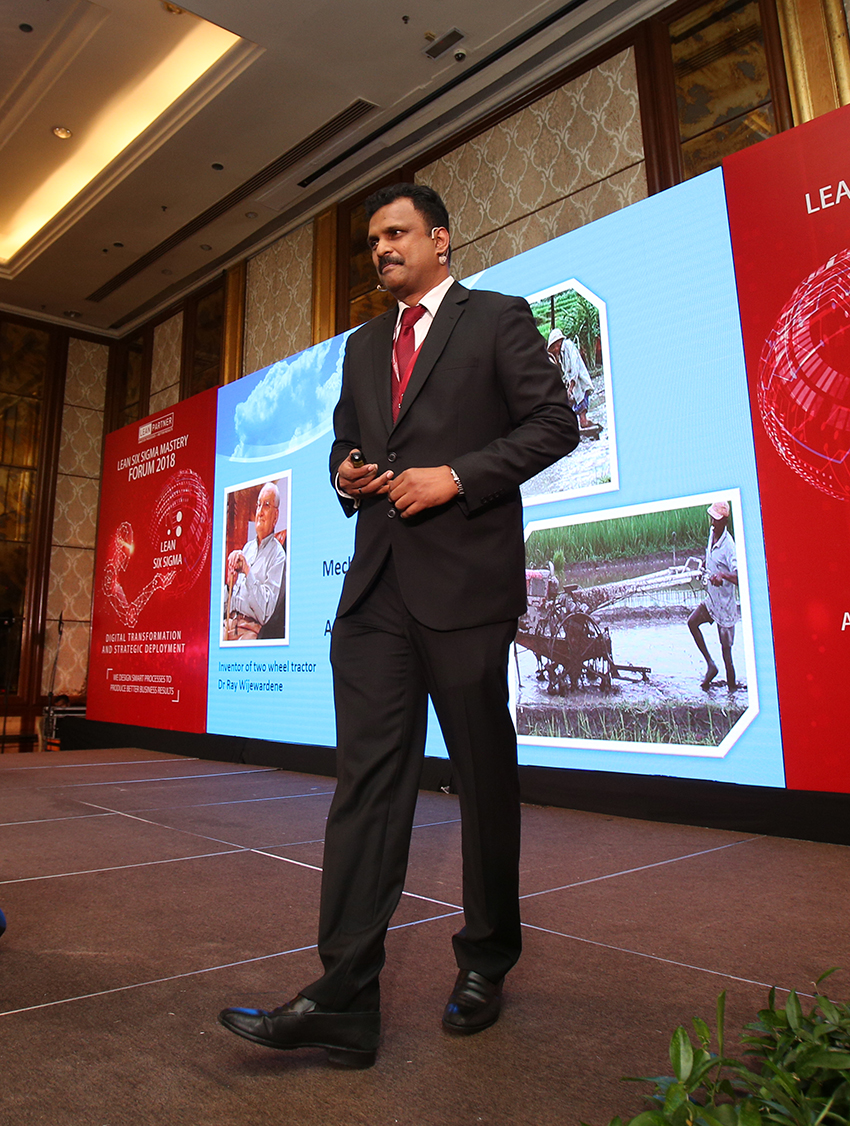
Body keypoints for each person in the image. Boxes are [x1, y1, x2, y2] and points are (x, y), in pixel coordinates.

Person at [219, 183, 577, 1067]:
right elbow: (348, 440)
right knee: (366, 787)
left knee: (482, 779)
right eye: (373, 239)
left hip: (465, 588)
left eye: (397, 233)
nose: (381, 248)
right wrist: (346, 472)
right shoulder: (362, 346)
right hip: (375, 589)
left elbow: (555, 423)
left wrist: (454, 476)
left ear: (440, 240)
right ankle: (344, 1001)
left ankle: (487, 960)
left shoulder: (497, 319)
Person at [688, 499, 739, 690]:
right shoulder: (712, 533)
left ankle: (732, 690)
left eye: (716, 520)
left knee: (727, 654)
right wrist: (704, 563)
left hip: (725, 606)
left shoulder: (729, 546)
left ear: (724, 521)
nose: (712, 522)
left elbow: (739, 576)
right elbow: (711, 557)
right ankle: (710, 665)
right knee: (692, 622)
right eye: (712, 518)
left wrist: (723, 575)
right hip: (711, 600)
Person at [224, 482, 285, 640]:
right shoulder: (247, 548)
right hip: (229, 623)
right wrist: (230, 583)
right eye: (258, 505)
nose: (260, 512)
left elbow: (264, 613)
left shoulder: (278, 555)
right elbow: (226, 605)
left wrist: (247, 571)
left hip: (249, 630)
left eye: (266, 505)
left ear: (275, 516)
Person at [547, 327, 593, 429]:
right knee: (575, 403)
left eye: (555, 346)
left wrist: (571, 387)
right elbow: (566, 373)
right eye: (553, 348)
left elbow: (574, 366)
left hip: (579, 380)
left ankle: (585, 422)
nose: (555, 349)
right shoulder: (560, 355)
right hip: (573, 385)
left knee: (581, 400)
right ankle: (582, 423)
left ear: (559, 342)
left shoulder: (568, 346)